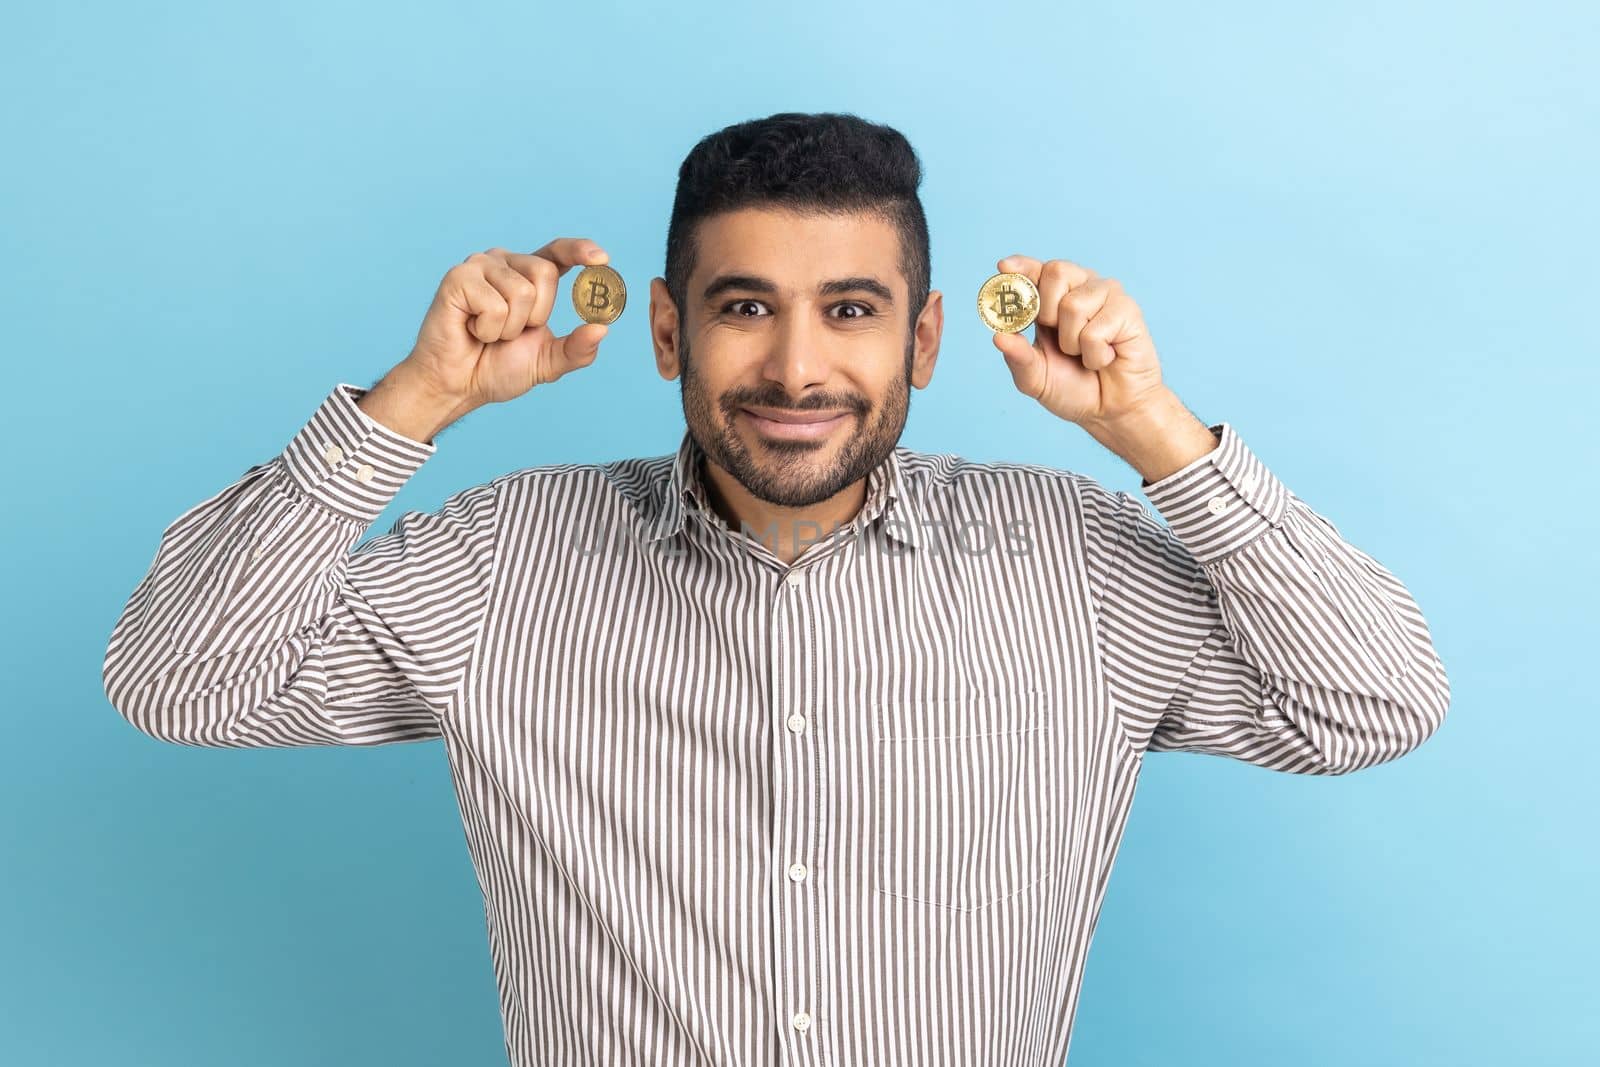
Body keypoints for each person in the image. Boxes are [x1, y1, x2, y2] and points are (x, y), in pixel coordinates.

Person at [102, 111, 1450, 1066]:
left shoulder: (1074, 562)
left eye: (852, 311)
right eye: (747, 308)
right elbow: (181, 682)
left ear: (925, 339)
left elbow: (1373, 705)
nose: (798, 368)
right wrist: (414, 403)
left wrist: (1155, 430)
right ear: (671, 331)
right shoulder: (503, 563)